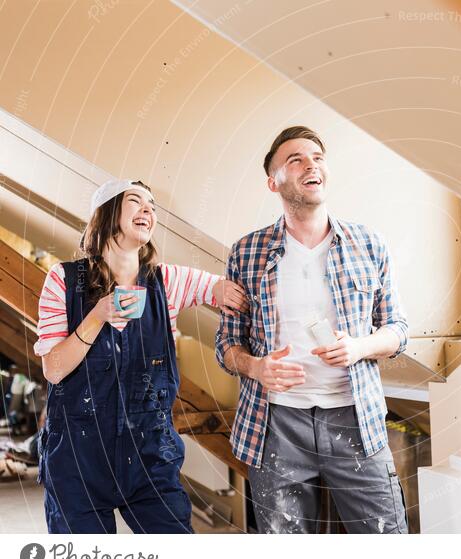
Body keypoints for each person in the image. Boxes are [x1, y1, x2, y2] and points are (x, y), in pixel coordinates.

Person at [216, 126, 409, 534]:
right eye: (296, 160)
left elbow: (397, 329)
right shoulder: (246, 252)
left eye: (317, 157)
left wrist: (358, 347)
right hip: (276, 424)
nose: (311, 165)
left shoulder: (368, 244)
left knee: (384, 537)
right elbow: (227, 344)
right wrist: (256, 368)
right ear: (274, 182)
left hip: (356, 419)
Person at [34, 179, 247, 534]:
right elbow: (54, 370)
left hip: (150, 456)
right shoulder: (64, 281)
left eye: (152, 204)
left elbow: (227, 291)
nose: (149, 209)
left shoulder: (168, 282)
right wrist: (97, 316)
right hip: (77, 458)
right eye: (136, 201)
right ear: (105, 215)